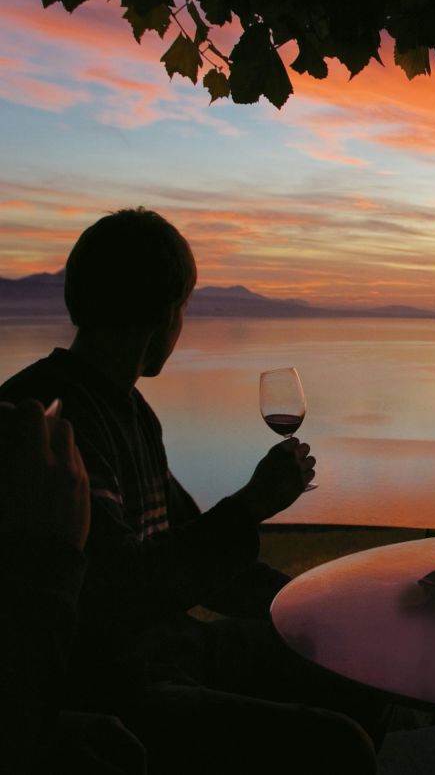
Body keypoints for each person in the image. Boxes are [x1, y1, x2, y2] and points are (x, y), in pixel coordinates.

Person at [0, 208, 379, 775]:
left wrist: (309, 606)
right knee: (337, 745)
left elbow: (195, 551)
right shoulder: (51, 417)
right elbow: (122, 587)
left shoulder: (130, 410)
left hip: (168, 648)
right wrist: (252, 504)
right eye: (184, 309)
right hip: (112, 683)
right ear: (164, 312)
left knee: (354, 667)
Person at [1, 398, 145, 774]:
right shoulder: (53, 429)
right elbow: (129, 592)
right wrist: (53, 559)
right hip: (129, 675)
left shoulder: (133, 411)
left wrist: (57, 727)